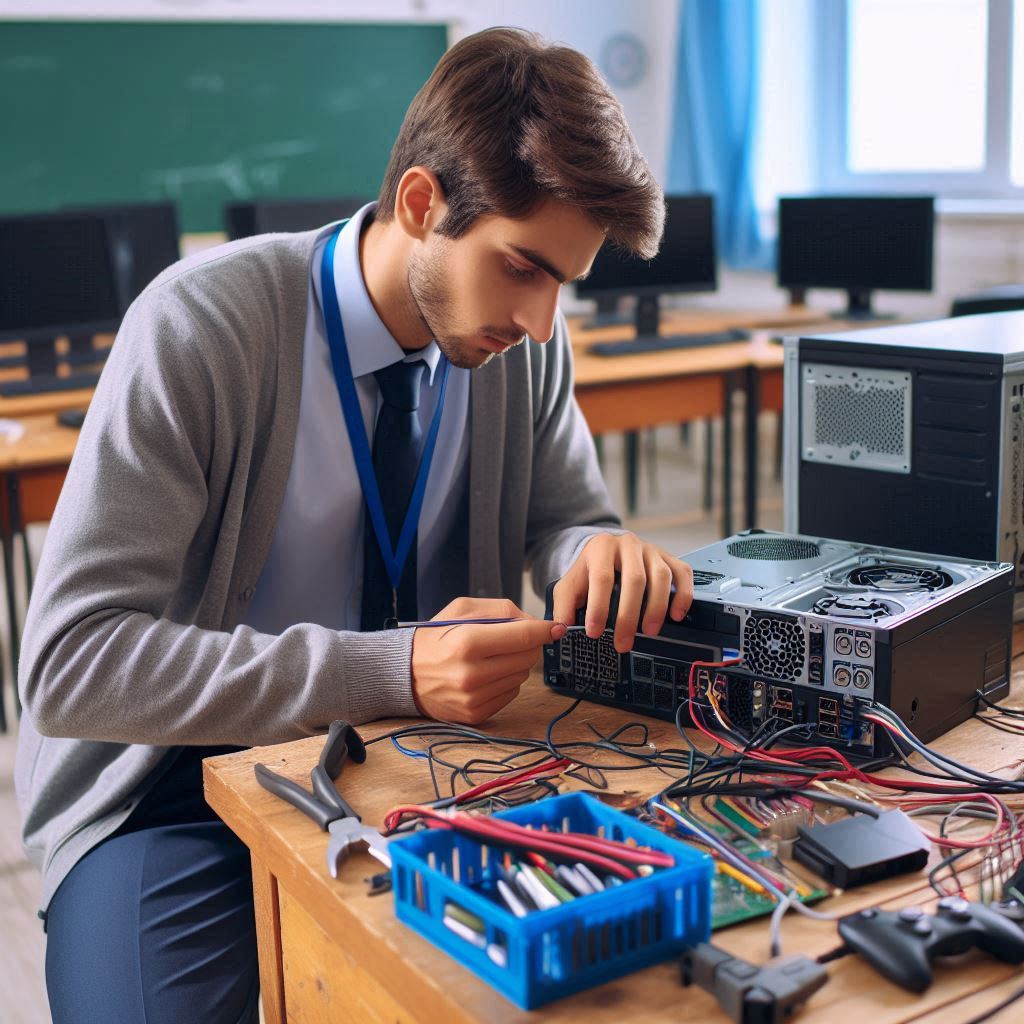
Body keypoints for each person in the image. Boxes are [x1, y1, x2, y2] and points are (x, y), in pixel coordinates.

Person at [16, 26, 693, 1023]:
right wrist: (392, 666)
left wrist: (592, 547)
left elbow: (566, 516)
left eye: (565, 281)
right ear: (421, 204)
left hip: (421, 756)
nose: (545, 321)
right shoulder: (200, 325)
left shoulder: (525, 348)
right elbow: (73, 665)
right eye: (522, 267)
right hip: (172, 784)